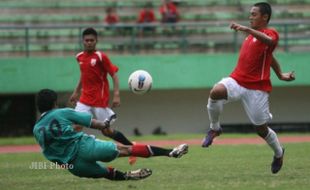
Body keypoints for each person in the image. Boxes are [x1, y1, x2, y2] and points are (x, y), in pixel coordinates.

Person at [201, 2, 295, 174]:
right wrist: (280, 74)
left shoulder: (270, 34)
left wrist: (247, 30)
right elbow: (270, 59)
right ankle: (215, 128)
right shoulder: (251, 36)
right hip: (237, 80)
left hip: (257, 90)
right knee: (216, 92)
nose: (250, 17)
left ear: (264, 17)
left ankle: (279, 153)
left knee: (261, 129)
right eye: (250, 14)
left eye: (254, 14)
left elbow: (269, 44)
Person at [33, 89, 189, 180]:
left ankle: (128, 176)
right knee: (125, 150)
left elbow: (50, 152)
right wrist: (105, 123)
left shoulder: (36, 129)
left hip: (73, 166)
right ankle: (171, 152)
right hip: (85, 147)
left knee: (104, 172)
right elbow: (94, 123)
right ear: (54, 103)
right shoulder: (62, 112)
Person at [69, 27, 137, 164]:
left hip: (99, 100)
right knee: (76, 126)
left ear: (96, 41)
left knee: (107, 132)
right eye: (86, 40)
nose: (89, 43)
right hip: (84, 99)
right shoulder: (79, 57)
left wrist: (116, 94)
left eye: (92, 40)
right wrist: (76, 91)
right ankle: (74, 155)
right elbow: (84, 75)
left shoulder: (101, 57)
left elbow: (114, 75)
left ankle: (132, 148)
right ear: (83, 41)